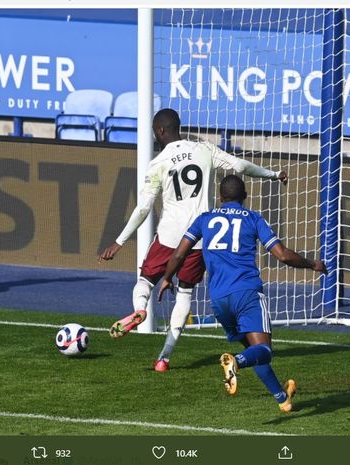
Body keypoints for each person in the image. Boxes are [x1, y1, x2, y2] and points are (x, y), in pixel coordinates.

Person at [98, 108, 287, 372]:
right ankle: (164, 357)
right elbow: (240, 166)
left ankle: (140, 308)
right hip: (199, 237)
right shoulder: (204, 149)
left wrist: (119, 241)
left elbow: (143, 208)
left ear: (160, 131)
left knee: (145, 280)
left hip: (169, 235)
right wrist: (272, 175)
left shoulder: (159, 162)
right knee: (185, 292)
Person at [157, 175, 327, 412]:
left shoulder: (205, 219)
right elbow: (283, 255)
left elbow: (178, 254)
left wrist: (166, 278)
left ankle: (282, 398)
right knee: (264, 351)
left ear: (220, 197)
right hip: (246, 294)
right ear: (245, 197)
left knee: (254, 348)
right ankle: (236, 361)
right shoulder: (254, 218)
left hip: (218, 300)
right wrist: (312, 264)